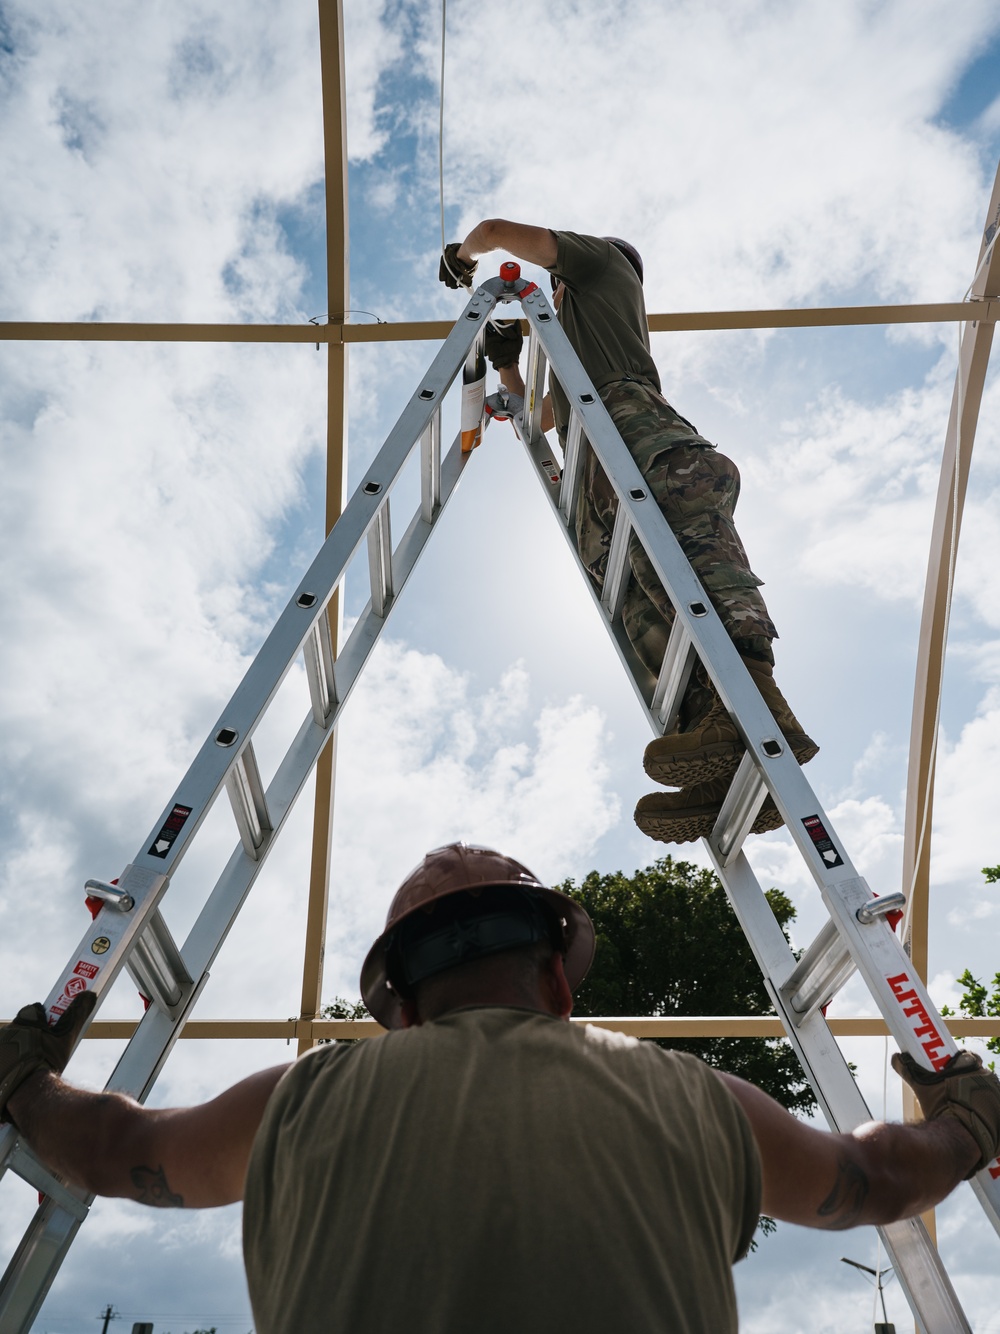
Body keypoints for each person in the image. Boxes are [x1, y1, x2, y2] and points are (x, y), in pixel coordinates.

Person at [3, 843, 1000, 1334]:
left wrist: (24, 1080)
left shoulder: (294, 1099)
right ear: (560, 980)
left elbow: (113, 1147)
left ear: (397, 1005)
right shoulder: (697, 1096)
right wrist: (965, 1118)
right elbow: (874, 1175)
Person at [440, 223, 816, 845]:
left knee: (695, 573)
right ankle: (723, 756)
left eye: (555, 290)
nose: (551, 302)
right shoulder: (576, 352)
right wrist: (510, 366)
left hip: (640, 437)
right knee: (653, 612)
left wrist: (461, 257)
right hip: (601, 464)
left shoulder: (606, 267)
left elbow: (498, 233)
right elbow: (543, 418)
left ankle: (761, 705)